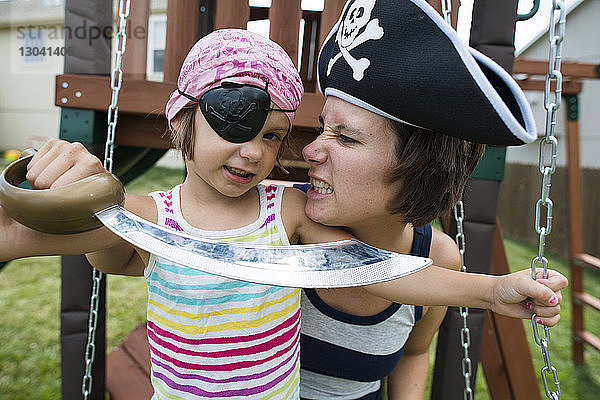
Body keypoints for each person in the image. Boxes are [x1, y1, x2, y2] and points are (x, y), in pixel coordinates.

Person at [0, 27, 565, 400]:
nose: (253, 151)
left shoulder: (286, 210)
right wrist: (36, 219)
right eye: (234, 123)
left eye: (273, 136)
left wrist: (489, 292)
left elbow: (375, 268)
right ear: (184, 122)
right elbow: (92, 238)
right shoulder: (154, 215)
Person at [296, 0, 562, 399]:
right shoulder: (280, 220)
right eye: (322, 129)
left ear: (419, 168)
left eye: (346, 137)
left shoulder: (438, 260)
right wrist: (489, 291)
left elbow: (414, 353)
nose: (310, 151)